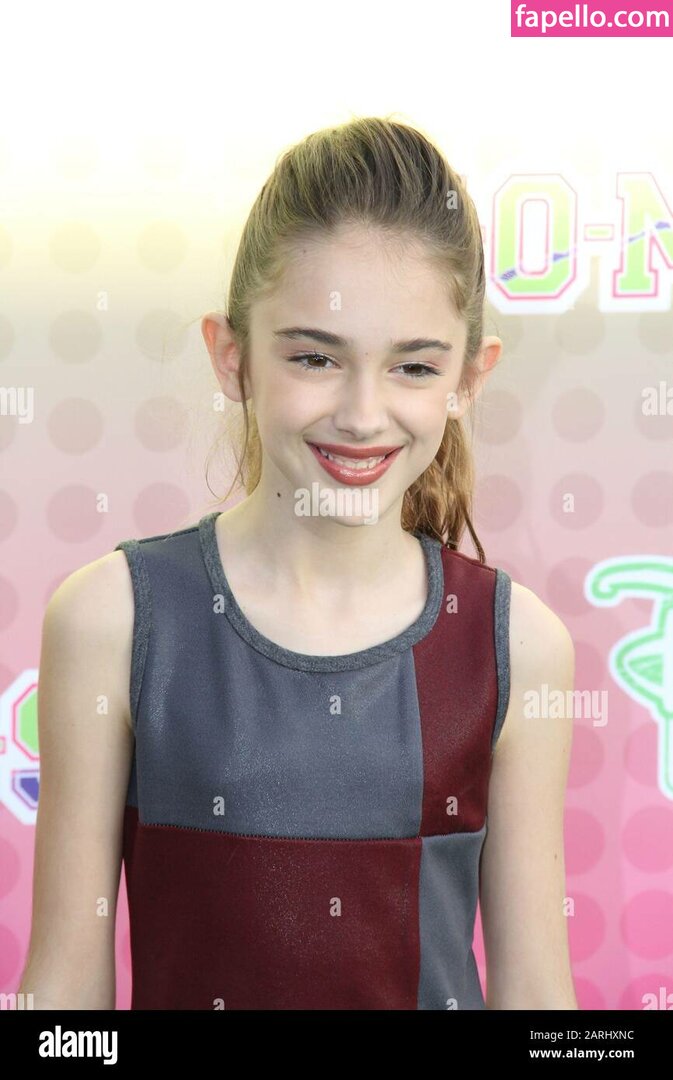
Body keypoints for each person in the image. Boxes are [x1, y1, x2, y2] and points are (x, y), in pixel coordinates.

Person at [18, 116, 578, 1010]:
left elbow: (538, 999)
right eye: (315, 357)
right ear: (230, 355)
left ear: (469, 379)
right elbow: (62, 995)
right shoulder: (112, 619)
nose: (361, 414)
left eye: (413, 368)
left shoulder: (517, 645)